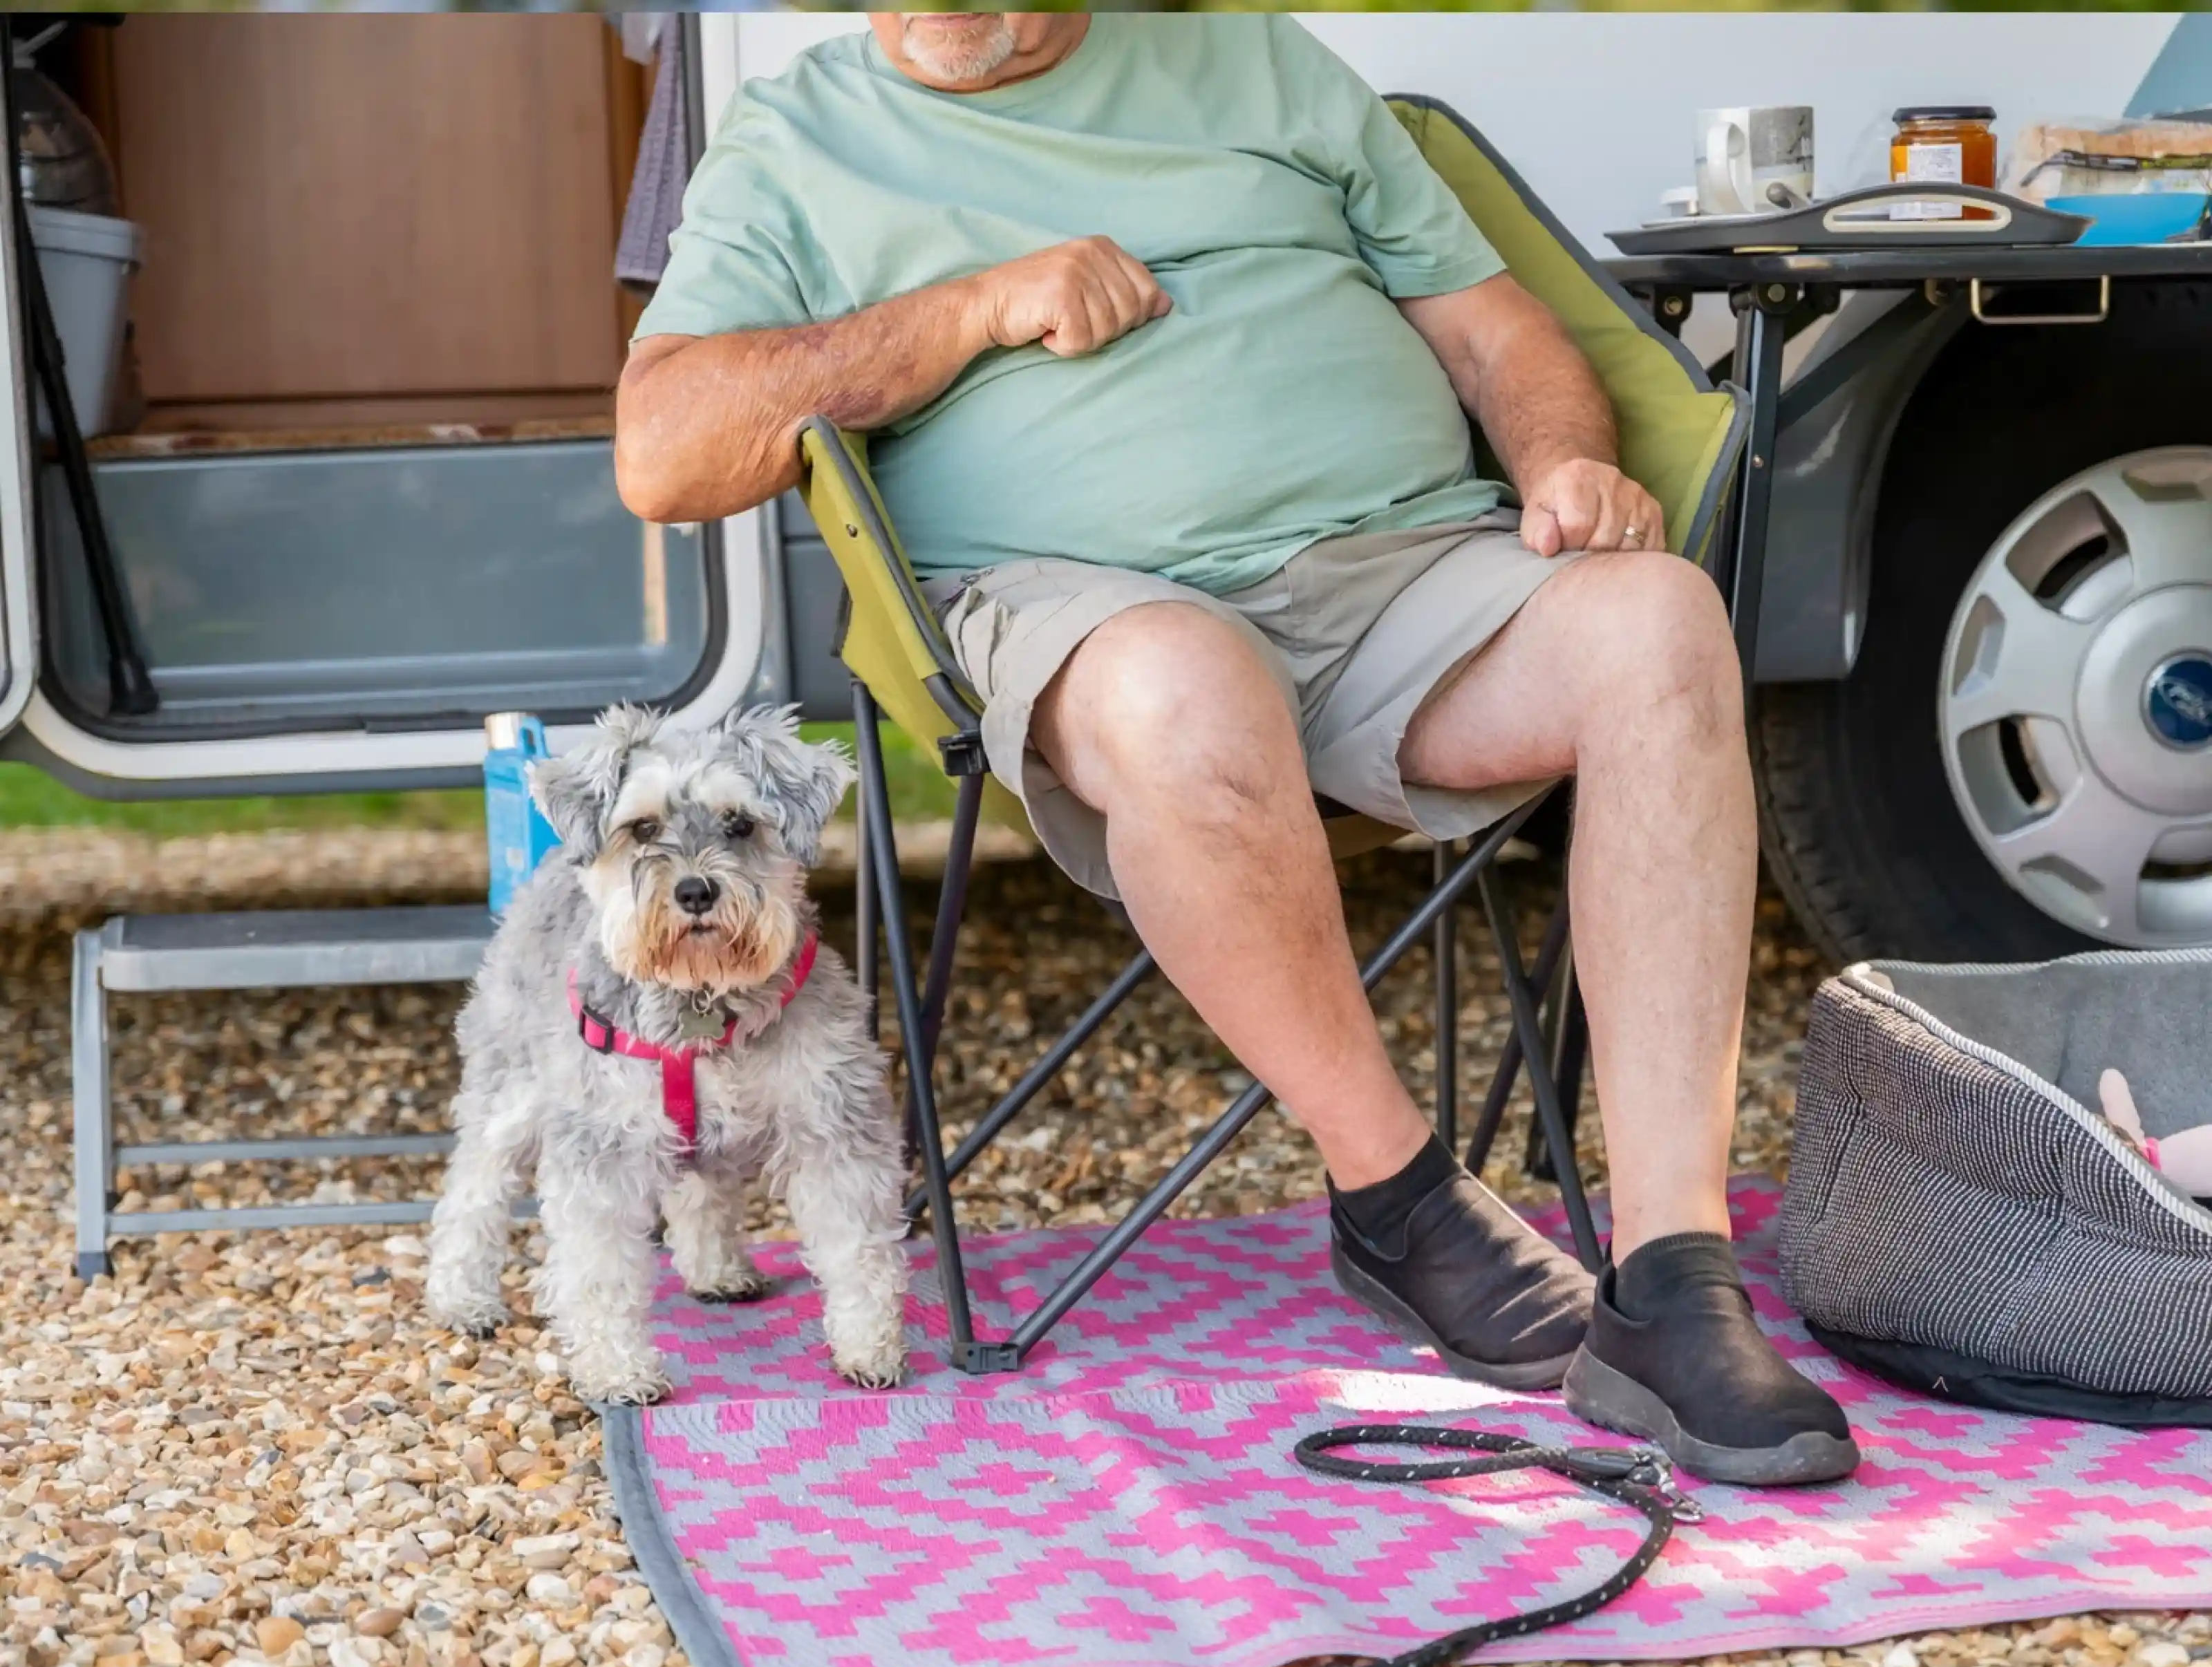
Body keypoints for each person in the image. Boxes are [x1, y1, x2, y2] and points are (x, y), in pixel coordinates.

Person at [612, 12, 1859, 1485]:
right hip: (1083, 604)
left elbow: (1490, 324)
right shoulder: (800, 138)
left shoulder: (1263, 63)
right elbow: (665, 447)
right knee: (1181, 685)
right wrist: (966, 311)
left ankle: (1672, 1283)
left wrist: (1560, 457)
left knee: (1657, 626)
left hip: (1401, 569)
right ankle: (1398, 1195)